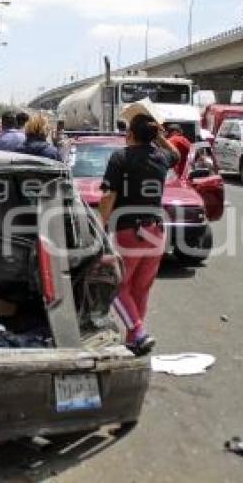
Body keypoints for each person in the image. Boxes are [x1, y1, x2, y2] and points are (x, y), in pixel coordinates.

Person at [98, 112, 179, 356]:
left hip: (129, 231)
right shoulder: (161, 157)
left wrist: (100, 226)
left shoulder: (120, 157)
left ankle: (138, 331)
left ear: (130, 134)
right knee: (140, 289)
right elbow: (176, 153)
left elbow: (109, 196)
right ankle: (134, 339)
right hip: (156, 230)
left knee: (115, 287)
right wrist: (160, 137)